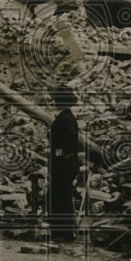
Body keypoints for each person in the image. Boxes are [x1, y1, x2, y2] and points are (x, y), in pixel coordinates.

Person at [48, 84, 80, 242]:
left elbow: (66, 144)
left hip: (63, 164)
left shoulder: (64, 119)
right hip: (65, 163)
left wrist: (59, 156)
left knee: (61, 196)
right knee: (62, 196)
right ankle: (62, 231)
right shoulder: (67, 117)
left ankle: (63, 233)